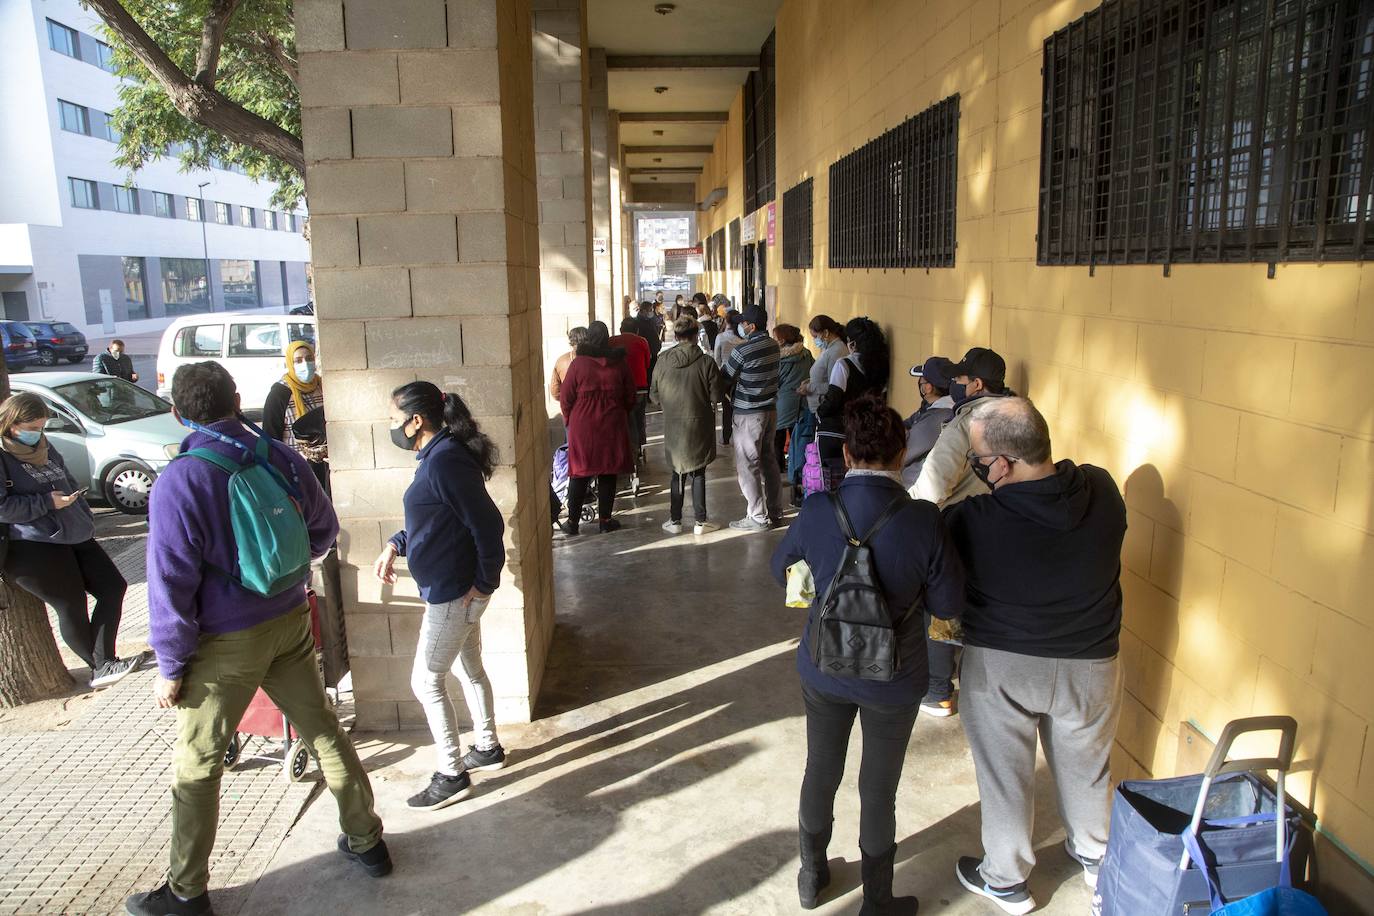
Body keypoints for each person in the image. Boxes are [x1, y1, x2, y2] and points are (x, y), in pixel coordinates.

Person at [130, 362, 386, 916]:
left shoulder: (182, 478)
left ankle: (185, 892)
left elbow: (169, 580)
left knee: (198, 765)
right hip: (291, 618)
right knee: (322, 730)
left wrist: (171, 665)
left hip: (224, 643)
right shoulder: (276, 453)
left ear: (176, 413)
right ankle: (368, 842)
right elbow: (324, 529)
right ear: (237, 399)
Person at [771, 397, 964, 915]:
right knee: (879, 789)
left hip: (823, 667)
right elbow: (949, 604)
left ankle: (813, 876)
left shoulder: (817, 510)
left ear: (850, 455)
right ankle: (877, 902)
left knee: (821, 768)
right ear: (902, 452)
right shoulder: (924, 521)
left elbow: (783, 574)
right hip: (895, 677)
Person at [946, 397, 1126, 914]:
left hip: (1002, 665)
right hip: (1092, 662)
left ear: (1000, 465)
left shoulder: (974, 518)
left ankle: (1005, 879)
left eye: (980, 461)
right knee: (1088, 767)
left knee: (1005, 775)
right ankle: (1098, 860)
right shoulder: (1104, 490)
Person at [373, 383, 507, 811]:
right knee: (470, 669)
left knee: (425, 680)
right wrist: (396, 543)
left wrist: (484, 585)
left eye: (395, 420)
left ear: (417, 421)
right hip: (452, 590)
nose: (391, 428)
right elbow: (433, 518)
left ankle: (451, 773)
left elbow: (488, 526)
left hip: (454, 595)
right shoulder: (437, 455)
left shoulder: (445, 461)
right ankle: (486, 748)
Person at [0, 392, 137, 689]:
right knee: (71, 604)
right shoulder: (2, 457)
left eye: (41, 426)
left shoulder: (46, 447)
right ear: (11, 425)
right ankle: (100, 665)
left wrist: (81, 512)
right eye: (32, 427)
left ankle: (105, 661)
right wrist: (46, 503)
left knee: (113, 587)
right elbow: (3, 508)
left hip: (75, 533)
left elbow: (67, 481)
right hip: (33, 545)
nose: (37, 434)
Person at [900, 356, 960, 717]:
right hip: (946, 516)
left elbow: (927, 476)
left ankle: (939, 688)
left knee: (936, 605)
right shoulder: (948, 415)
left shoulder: (943, 421)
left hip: (933, 515)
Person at [559, 321, 637, 535]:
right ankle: (605, 521)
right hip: (612, 424)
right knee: (608, 472)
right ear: (607, 338)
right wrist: (620, 412)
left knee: (580, 474)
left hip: (582, 426)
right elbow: (630, 396)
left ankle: (573, 523)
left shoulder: (578, 364)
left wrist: (570, 420)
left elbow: (565, 398)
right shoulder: (619, 363)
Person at [911, 347, 1010, 509]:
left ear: (977, 384)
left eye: (958, 378)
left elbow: (929, 492)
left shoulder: (963, 426)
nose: (954, 383)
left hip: (957, 523)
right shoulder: (1020, 417)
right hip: (999, 518)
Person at [650, 315, 722, 536]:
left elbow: (653, 394)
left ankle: (675, 520)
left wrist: (669, 404)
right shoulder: (706, 362)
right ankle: (700, 522)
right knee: (698, 472)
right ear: (695, 335)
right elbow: (716, 395)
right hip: (699, 424)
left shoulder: (662, 361)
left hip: (673, 425)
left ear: (677, 335)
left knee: (676, 472)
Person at [721, 305, 782, 531]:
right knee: (769, 460)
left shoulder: (742, 351)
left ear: (751, 326)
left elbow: (726, 376)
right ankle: (776, 510)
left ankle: (757, 516)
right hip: (770, 410)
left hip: (749, 414)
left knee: (748, 465)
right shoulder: (774, 346)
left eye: (743, 323)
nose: (741, 326)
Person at [816, 317, 890, 465]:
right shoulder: (880, 367)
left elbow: (834, 399)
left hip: (842, 428)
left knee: (834, 473)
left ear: (853, 343)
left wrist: (819, 412)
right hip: (868, 429)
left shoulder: (844, 365)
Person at [263, 340, 329, 496]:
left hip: (325, 464)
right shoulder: (280, 394)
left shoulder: (322, 385)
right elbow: (270, 437)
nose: (305, 364)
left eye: (309, 358)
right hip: (296, 467)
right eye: (298, 361)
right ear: (290, 364)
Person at [901, 357, 957, 488]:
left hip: (914, 489)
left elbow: (902, 454)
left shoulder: (940, 416)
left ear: (927, 388)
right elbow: (906, 423)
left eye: (921, 380)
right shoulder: (931, 408)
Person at [773, 324, 814, 488]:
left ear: (782, 340)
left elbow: (775, 380)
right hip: (802, 400)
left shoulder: (779, 359)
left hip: (783, 401)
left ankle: (778, 469)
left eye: (775, 338)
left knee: (778, 437)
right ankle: (797, 466)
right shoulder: (806, 353)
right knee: (799, 436)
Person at [609, 319, 652, 462]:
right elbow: (647, 363)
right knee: (639, 418)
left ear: (620, 329)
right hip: (639, 387)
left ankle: (623, 449)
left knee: (622, 419)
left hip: (619, 388)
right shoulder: (642, 341)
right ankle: (638, 448)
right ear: (637, 330)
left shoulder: (611, 341)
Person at [713, 309, 744, 445]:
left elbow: (717, 359)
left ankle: (725, 437)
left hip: (725, 376)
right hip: (741, 377)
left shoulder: (721, 337)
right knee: (740, 407)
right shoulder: (743, 340)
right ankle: (740, 436)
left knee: (727, 409)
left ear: (726, 321)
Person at [549, 326, 589, 402]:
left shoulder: (561, 361)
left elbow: (555, 392)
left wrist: (568, 402)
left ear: (571, 343)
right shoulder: (596, 359)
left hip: (571, 408)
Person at [635, 300, 665, 382]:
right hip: (647, 353)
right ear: (644, 311)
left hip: (653, 351)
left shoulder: (649, 320)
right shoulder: (638, 323)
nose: (652, 312)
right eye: (650, 310)